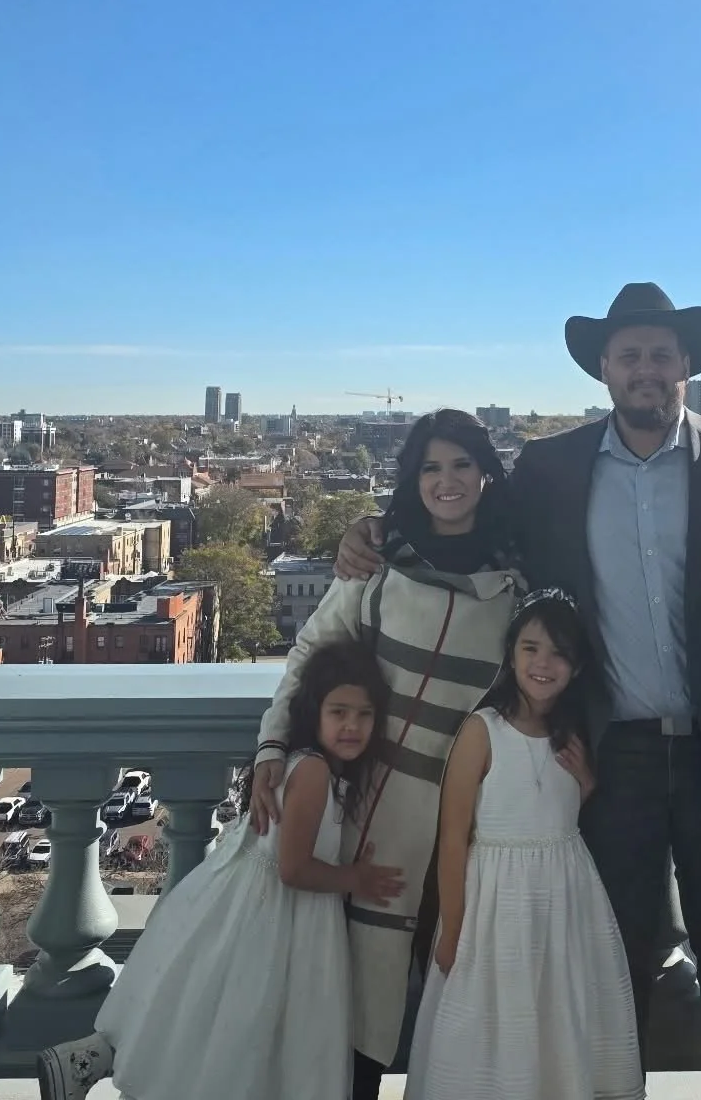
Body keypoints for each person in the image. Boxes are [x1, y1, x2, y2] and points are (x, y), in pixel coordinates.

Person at [339, 283, 701, 1100]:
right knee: (608, 970)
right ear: (604, 369)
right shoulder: (551, 468)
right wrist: (368, 536)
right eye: (629, 355)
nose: (646, 369)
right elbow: (458, 518)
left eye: (661, 355)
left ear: (687, 366)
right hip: (609, 760)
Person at [251, 408, 523, 1100]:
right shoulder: (376, 565)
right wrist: (273, 744)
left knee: (455, 1014)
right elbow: (311, 652)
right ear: (412, 480)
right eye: (430, 467)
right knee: (343, 1016)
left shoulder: (517, 584)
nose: (447, 481)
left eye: (462, 464)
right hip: (357, 815)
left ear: (488, 474)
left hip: (467, 830)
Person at [34, 641, 403, 1100]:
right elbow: (294, 869)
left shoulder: (297, 763)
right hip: (277, 913)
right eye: (340, 712)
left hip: (235, 897)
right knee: (248, 1029)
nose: (352, 725)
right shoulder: (313, 774)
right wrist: (356, 878)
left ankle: (86, 1062)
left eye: (364, 714)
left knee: (195, 1010)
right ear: (315, 713)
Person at [407, 587, 642, 1100]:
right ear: (511, 653)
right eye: (531, 648)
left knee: (558, 1015)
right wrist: (450, 931)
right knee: (495, 1023)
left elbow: (559, 813)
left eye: (559, 654)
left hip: (565, 902)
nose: (543, 663)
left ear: (577, 669)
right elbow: (453, 838)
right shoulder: (481, 731)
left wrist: (587, 786)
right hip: (493, 904)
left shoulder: (573, 736)